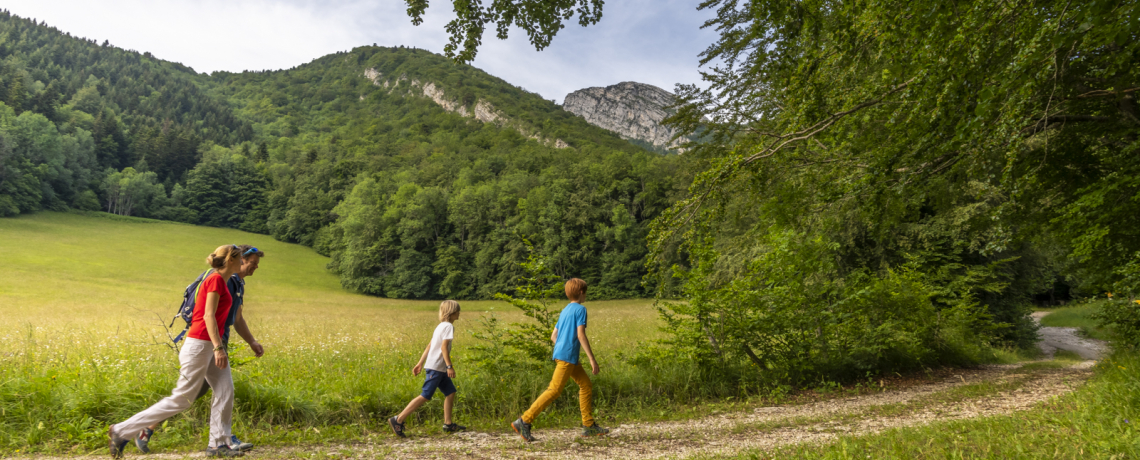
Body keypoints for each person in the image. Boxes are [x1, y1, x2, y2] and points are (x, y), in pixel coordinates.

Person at [109, 245, 245, 458]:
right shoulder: (215, 279)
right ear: (231, 261)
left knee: (225, 391)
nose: (244, 263)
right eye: (241, 259)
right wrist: (219, 348)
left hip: (209, 344)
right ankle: (121, 431)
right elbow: (208, 316)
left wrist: (218, 347)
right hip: (200, 344)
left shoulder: (224, 281)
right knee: (182, 399)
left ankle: (218, 444)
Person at [134, 246, 266, 454]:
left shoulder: (237, 283)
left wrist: (251, 341)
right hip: (209, 343)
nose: (254, 268)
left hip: (216, 342)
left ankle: (220, 440)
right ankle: (142, 428)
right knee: (192, 394)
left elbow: (237, 318)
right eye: (252, 263)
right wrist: (217, 347)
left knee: (209, 391)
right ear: (239, 260)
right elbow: (210, 315)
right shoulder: (225, 281)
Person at [511, 278, 608, 441]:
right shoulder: (580, 309)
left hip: (563, 355)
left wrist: (563, 347)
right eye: (586, 293)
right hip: (567, 357)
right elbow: (580, 335)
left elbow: (553, 336)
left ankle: (589, 425)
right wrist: (592, 359)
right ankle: (524, 420)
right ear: (582, 293)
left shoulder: (565, 310)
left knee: (585, 384)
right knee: (554, 390)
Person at [388, 300, 467, 437]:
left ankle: (448, 424)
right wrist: (449, 366)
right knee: (426, 395)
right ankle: (398, 420)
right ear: (451, 312)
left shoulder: (440, 326)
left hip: (437, 367)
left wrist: (420, 363)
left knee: (450, 392)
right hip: (437, 367)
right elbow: (443, 348)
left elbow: (430, 346)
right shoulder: (448, 326)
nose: (459, 313)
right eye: (457, 311)